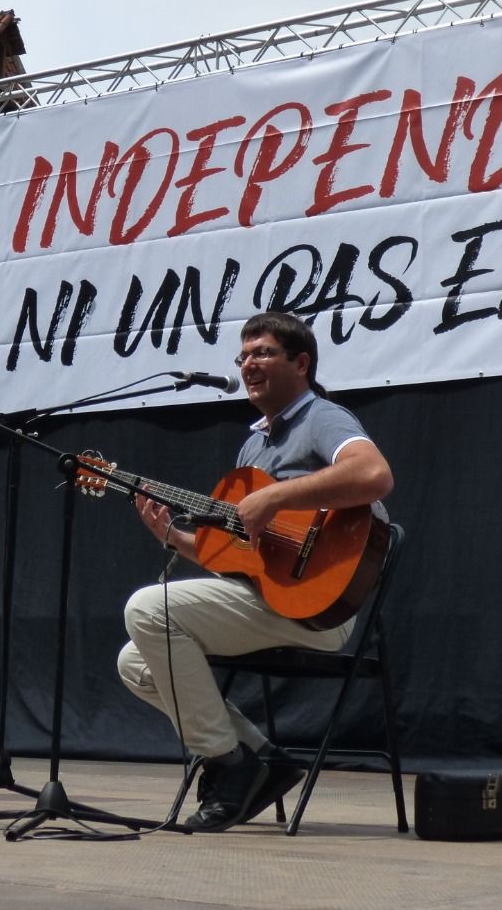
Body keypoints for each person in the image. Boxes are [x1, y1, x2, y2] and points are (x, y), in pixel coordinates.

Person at [117, 310, 395, 831]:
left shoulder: (321, 417)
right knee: (134, 662)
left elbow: (374, 475)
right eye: (243, 356)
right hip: (272, 602)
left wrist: (274, 497)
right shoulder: (255, 444)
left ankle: (229, 766)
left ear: (302, 363)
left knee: (147, 608)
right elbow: (244, 561)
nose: (248, 364)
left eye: (263, 353)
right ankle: (260, 756)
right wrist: (174, 538)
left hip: (320, 609)